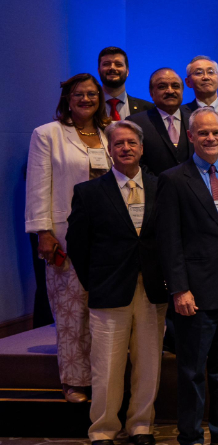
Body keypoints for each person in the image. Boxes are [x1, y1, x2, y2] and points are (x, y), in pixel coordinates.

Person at [156, 107, 218, 445]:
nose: (211, 138)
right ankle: (190, 436)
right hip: (194, 295)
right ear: (190, 137)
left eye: (216, 132)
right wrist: (179, 289)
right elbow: (169, 241)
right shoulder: (173, 179)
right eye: (203, 133)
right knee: (191, 371)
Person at [66, 120, 168, 445]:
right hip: (109, 289)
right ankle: (104, 429)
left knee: (148, 362)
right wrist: (93, 282)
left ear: (141, 147)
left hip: (152, 288)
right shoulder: (89, 192)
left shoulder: (161, 187)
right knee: (107, 365)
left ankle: (141, 426)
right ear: (109, 151)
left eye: (131, 143)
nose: (125, 148)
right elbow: (78, 244)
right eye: (118, 144)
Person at [26, 73, 111, 403]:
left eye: (92, 94)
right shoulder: (47, 135)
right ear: (67, 98)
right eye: (79, 94)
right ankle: (74, 381)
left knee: (102, 313)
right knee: (71, 312)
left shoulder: (108, 134)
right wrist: (43, 232)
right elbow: (38, 186)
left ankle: (103, 377)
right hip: (65, 238)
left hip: (108, 240)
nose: (86, 99)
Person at [126, 68, 191, 176]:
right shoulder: (135, 123)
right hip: (153, 190)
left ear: (182, 91)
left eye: (175, 86)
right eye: (162, 86)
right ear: (151, 93)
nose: (170, 91)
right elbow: (135, 162)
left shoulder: (194, 121)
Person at [99, 46, 154, 120]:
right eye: (106, 64)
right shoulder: (88, 107)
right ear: (99, 71)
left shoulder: (148, 109)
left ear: (127, 71)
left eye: (118, 64)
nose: (112, 68)